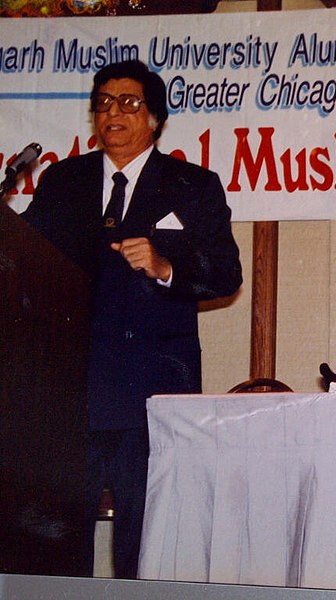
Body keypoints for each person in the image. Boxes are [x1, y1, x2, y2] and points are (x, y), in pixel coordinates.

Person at [22, 60, 242, 578]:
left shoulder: (193, 185)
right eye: (102, 102)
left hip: (153, 391)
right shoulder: (62, 181)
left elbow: (227, 274)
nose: (112, 112)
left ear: (157, 118)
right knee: (56, 542)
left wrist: (167, 266)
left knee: (145, 543)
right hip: (69, 393)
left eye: (128, 102)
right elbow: (27, 260)